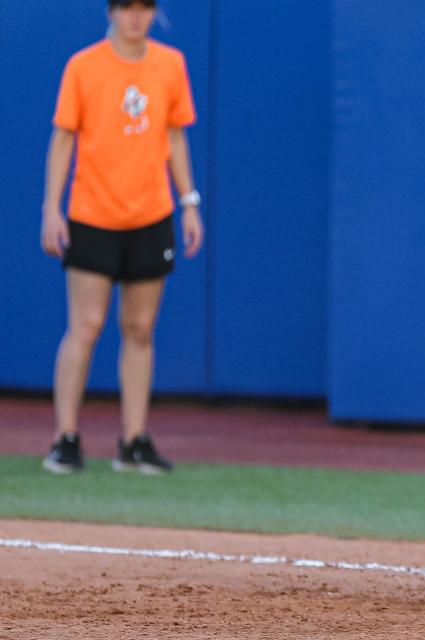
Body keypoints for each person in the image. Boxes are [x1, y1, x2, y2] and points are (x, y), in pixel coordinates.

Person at [40, 0, 202, 475]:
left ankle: (133, 441)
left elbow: (175, 135)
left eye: (145, 7)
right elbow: (63, 136)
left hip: (151, 214)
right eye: (127, 6)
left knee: (140, 328)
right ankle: (65, 438)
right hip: (93, 212)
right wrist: (52, 207)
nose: (136, 16)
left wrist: (188, 201)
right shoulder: (83, 65)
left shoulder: (169, 64)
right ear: (111, 11)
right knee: (86, 325)